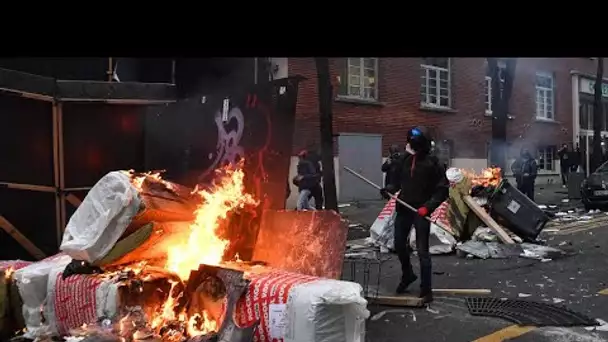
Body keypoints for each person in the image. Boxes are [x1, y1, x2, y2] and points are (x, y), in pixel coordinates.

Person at [381, 126, 449, 304]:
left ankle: (426, 289)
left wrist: (428, 207)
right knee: (399, 245)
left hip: (421, 212)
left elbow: (442, 190)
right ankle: (408, 274)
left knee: (422, 251)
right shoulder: (404, 161)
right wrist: (388, 190)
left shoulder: (434, 164)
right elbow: (395, 183)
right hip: (403, 209)